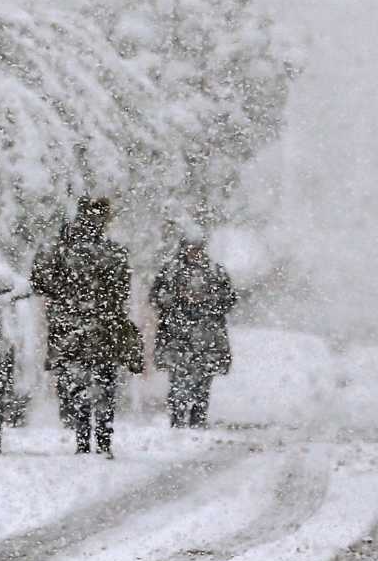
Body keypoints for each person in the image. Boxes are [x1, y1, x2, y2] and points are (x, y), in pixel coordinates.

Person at [30, 196, 142, 457]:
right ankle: (101, 441)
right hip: (100, 328)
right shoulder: (112, 252)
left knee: (78, 386)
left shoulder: (60, 249)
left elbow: (39, 281)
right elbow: (121, 289)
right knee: (103, 386)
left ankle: (85, 441)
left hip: (71, 329)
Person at [149, 226, 237, 429]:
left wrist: (207, 300)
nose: (194, 252)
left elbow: (228, 300)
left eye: (198, 247)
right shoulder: (171, 271)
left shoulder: (215, 271)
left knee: (202, 385)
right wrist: (178, 299)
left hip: (207, 340)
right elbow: (156, 298)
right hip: (177, 339)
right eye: (191, 247)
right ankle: (178, 424)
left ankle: (197, 423)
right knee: (178, 385)